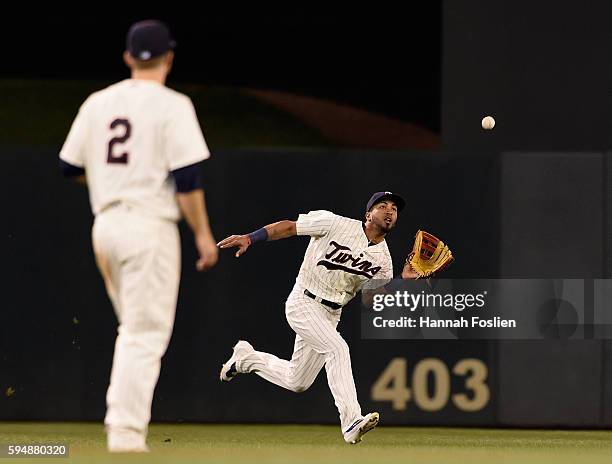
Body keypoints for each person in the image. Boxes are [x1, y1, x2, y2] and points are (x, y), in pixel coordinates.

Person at [59, 20, 218, 452]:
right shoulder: (173, 105)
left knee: (134, 329)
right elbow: (187, 178)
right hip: (148, 227)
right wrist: (203, 236)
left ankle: (124, 428)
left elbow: (70, 167)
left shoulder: (98, 102)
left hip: (106, 226)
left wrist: (112, 183)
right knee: (144, 333)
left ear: (129, 57)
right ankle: (125, 434)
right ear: (169, 56)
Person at [217, 191, 417, 444]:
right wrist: (250, 237)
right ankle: (351, 421)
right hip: (303, 301)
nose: (389, 211)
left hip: (331, 313)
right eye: (382, 206)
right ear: (368, 214)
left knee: (297, 381)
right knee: (338, 349)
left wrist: (404, 283)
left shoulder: (384, 260)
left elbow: (370, 299)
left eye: (394, 209)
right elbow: (289, 227)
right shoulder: (334, 223)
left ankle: (246, 359)